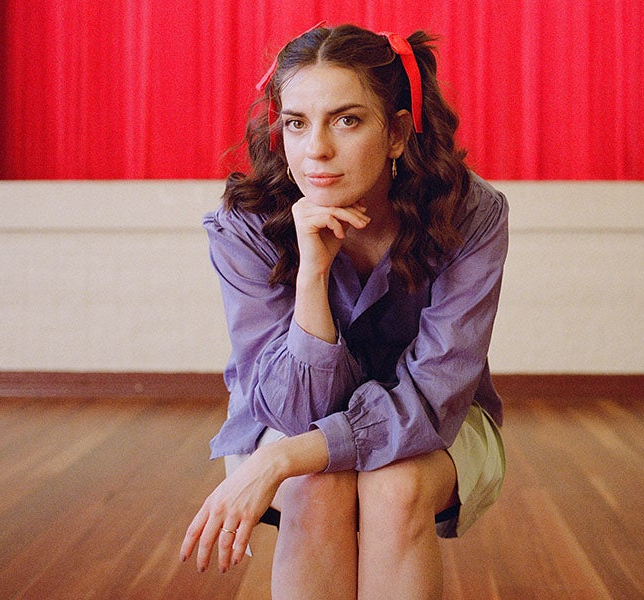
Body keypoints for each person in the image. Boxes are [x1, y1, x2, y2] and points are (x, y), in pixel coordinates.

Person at [180, 23, 508, 599]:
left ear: (397, 133)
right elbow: (292, 410)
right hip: (280, 418)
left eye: (346, 120)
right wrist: (312, 275)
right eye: (296, 123)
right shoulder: (246, 226)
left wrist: (281, 460)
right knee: (316, 486)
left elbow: (434, 399)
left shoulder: (470, 214)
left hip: (438, 423)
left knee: (395, 485)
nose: (316, 150)